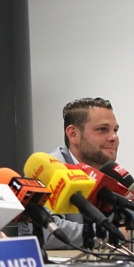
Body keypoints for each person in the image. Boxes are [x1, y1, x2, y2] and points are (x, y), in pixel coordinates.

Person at [20, 97, 122, 249]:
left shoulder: (107, 171)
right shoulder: (46, 170)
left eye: (115, 130)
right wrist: (113, 234)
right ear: (73, 134)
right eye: (102, 130)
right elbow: (49, 232)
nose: (114, 137)